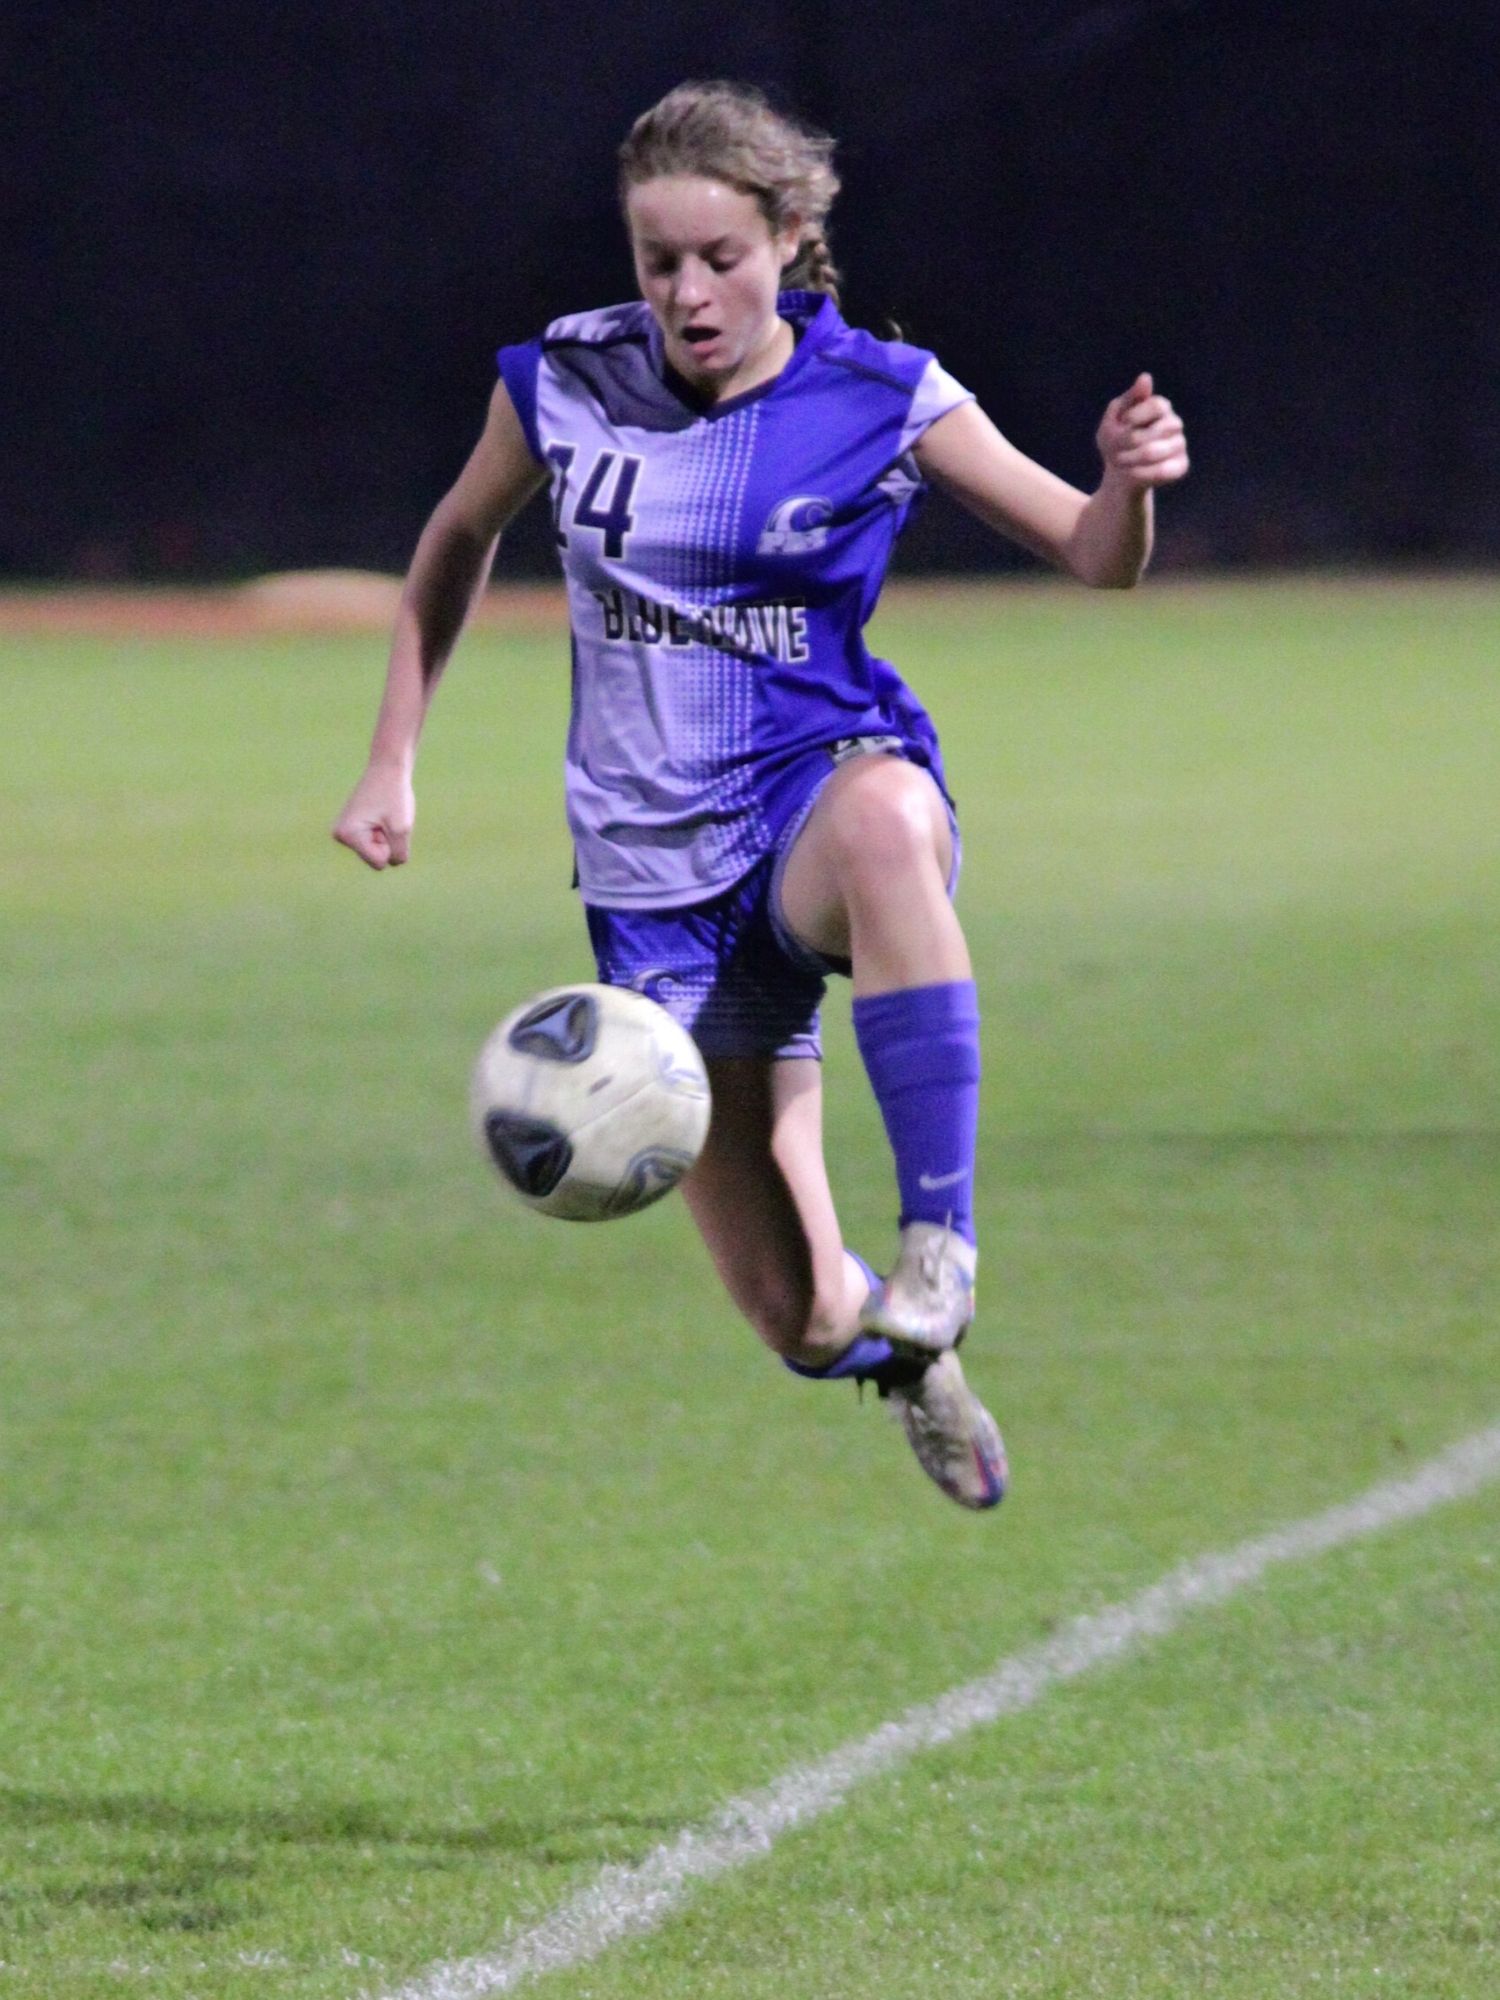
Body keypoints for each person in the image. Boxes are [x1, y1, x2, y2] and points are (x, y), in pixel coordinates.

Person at [333, 81, 1189, 1511]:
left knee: (886, 819)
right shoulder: (563, 381)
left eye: (719, 258)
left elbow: (1098, 554)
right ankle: (906, 1359)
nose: (687, 291)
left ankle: (941, 1241)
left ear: (790, 237)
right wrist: (390, 755)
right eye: (657, 261)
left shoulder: (882, 396)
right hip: (654, 894)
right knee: (794, 1317)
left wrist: (1131, 484)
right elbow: (454, 538)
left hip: (808, 805)